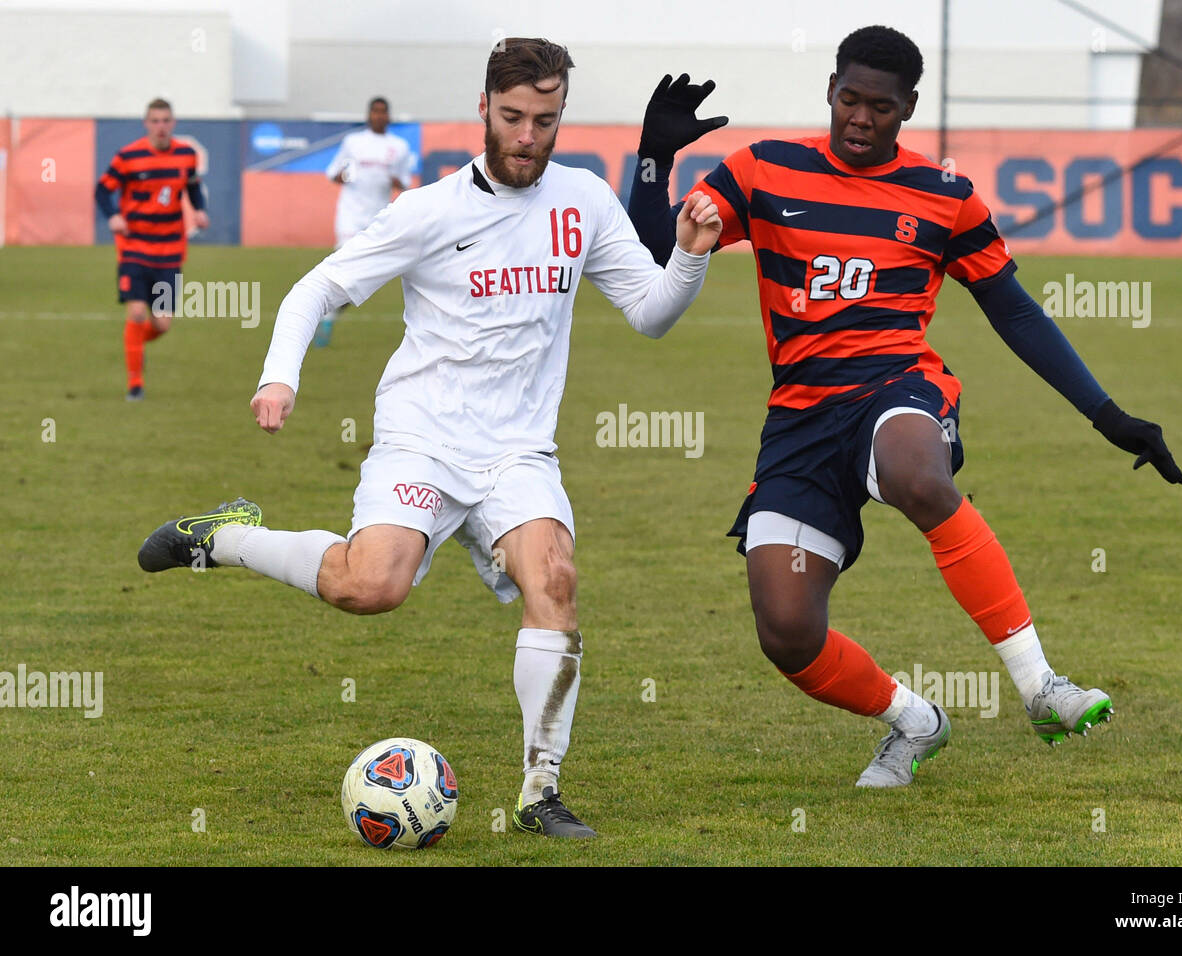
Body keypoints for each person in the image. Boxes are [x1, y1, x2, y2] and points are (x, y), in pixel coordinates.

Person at [137, 38, 722, 836]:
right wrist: (282, 376)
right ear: (483, 109)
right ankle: (228, 538)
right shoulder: (430, 210)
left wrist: (687, 259)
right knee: (371, 587)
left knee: (554, 578)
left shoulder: (583, 200)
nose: (526, 136)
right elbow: (317, 287)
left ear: (560, 119)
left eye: (544, 121)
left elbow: (651, 314)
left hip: (519, 451)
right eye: (512, 117)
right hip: (423, 439)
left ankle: (538, 790)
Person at [629, 25, 1182, 788]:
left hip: (899, 387)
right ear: (831, 89)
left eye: (880, 107)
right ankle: (913, 721)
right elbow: (660, 254)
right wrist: (654, 160)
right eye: (850, 100)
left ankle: (1042, 687)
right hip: (799, 417)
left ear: (908, 108)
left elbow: (1015, 312)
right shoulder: (762, 171)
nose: (861, 118)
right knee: (787, 632)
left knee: (918, 476)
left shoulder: (945, 196)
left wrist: (1108, 413)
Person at [95, 98, 208, 400]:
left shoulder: (186, 155)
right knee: (136, 312)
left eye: (166, 120)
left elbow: (193, 186)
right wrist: (113, 215)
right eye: (155, 120)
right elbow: (102, 190)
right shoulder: (129, 156)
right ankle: (135, 383)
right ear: (146, 123)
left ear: (173, 123)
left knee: (162, 324)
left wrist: (199, 209)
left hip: (170, 251)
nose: (161, 126)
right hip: (134, 248)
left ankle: (134, 344)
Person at [314, 96, 417, 347]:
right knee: (344, 270)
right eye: (375, 111)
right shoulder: (353, 143)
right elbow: (333, 172)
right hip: (350, 215)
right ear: (368, 115)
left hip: (378, 218)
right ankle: (318, 309)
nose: (379, 116)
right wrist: (340, 176)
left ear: (388, 116)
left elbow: (404, 181)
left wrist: (396, 181)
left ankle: (329, 314)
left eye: (383, 112)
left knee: (361, 279)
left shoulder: (399, 147)